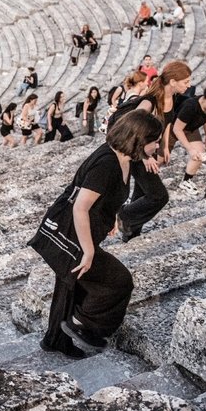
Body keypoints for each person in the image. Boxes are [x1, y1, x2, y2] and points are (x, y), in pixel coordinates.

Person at [34, 110, 164, 358]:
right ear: (138, 140)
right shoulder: (107, 164)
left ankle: (55, 340)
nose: (157, 145)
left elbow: (106, 196)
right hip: (71, 234)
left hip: (76, 231)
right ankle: (85, 325)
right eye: (154, 140)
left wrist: (111, 216)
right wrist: (89, 251)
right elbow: (80, 206)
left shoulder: (124, 158)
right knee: (118, 281)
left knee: (70, 284)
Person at [116, 60, 193, 241]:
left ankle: (131, 235)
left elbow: (167, 121)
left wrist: (165, 146)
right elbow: (135, 127)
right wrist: (144, 156)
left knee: (141, 193)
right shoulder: (149, 102)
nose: (189, 85)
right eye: (186, 82)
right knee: (159, 196)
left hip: (149, 151)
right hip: (136, 153)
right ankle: (123, 216)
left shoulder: (171, 97)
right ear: (173, 81)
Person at [172, 76, 206, 195]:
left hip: (190, 128)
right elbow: (177, 129)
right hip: (173, 128)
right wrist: (190, 149)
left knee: (200, 152)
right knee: (159, 160)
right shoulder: (191, 106)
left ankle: (186, 181)